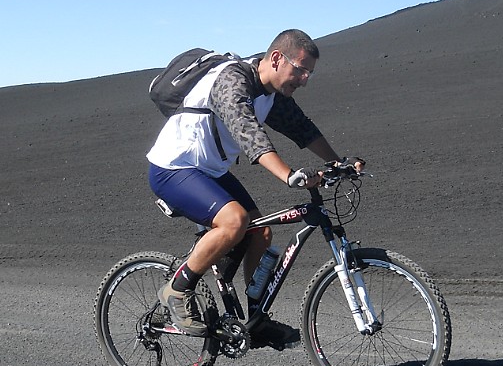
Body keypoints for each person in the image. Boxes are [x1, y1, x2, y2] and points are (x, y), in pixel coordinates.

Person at [146, 28, 363, 348]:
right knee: (235, 221)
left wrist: (338, 162)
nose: (304, 79)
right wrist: (289, 175)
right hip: (174, 168)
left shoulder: (272, 93)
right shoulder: (232, 80)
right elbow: (248, 134)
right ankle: (176, 290)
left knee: (260, 232)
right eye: (300, 69)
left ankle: (256, 318)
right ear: (276, 58)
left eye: (309, 73)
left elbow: (302, 130)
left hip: (210, 170)